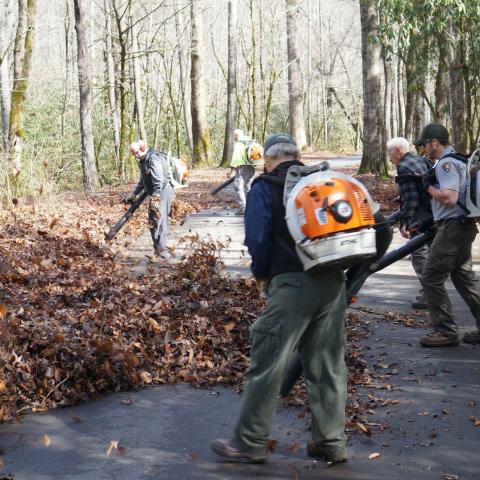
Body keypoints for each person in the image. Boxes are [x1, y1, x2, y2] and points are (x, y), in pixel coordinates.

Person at [210, 133, 349, 464]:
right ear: (297, 156)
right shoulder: (325, 182)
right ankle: (330, 442)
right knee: (327, 365)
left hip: (292, 284)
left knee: (268, 361)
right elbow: (377, 228)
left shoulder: (265, 187)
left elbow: (257, 239)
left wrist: (261, 278)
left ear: (270, 159)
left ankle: (250, 442)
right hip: (332, 283)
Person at [416, 123, 480, 346]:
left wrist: (428, 187)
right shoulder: (461, 160)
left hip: (453, 228)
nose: (423, 149)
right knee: (464, 280)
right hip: (463, 226)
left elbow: (449, 197)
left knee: (431, 277)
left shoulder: (446, 164)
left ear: (434, 142)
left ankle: (446, 331)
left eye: (424, 145)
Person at [387, 137, 432, 309]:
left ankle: (429, 294)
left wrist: (404, 221)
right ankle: (431, 291)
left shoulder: (403, 166)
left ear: (398, 151)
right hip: (432, 212)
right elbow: (420, 185)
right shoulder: (421, 160)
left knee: (419, 254)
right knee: (428, 251)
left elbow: (412, 199)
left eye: (390, 153)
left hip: (419, 216)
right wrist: (401, 197)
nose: (389, 157)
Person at [124, 140, 175, 259]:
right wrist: (133, 194)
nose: (135, 156)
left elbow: (158, 181)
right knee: (153, 222)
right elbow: (142, 182)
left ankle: (163, 253)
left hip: (162, 191)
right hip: (155, 192)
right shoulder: (142, 161)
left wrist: (156, 198)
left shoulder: (153, 159)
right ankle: (158, 250)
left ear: (142, 148)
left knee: (159, 221)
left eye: (136, 152)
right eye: (133, 154)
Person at [228, 129, 255, 215]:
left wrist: (231, 170)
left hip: (243, 167)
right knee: (248, 187)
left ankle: (243, 207)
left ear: (237, 135)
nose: (233, 137)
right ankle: (251, 206)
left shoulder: (239, 144)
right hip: (252, 167)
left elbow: (236, 158)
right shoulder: (250, 141)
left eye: (234, 135)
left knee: (237, 186)